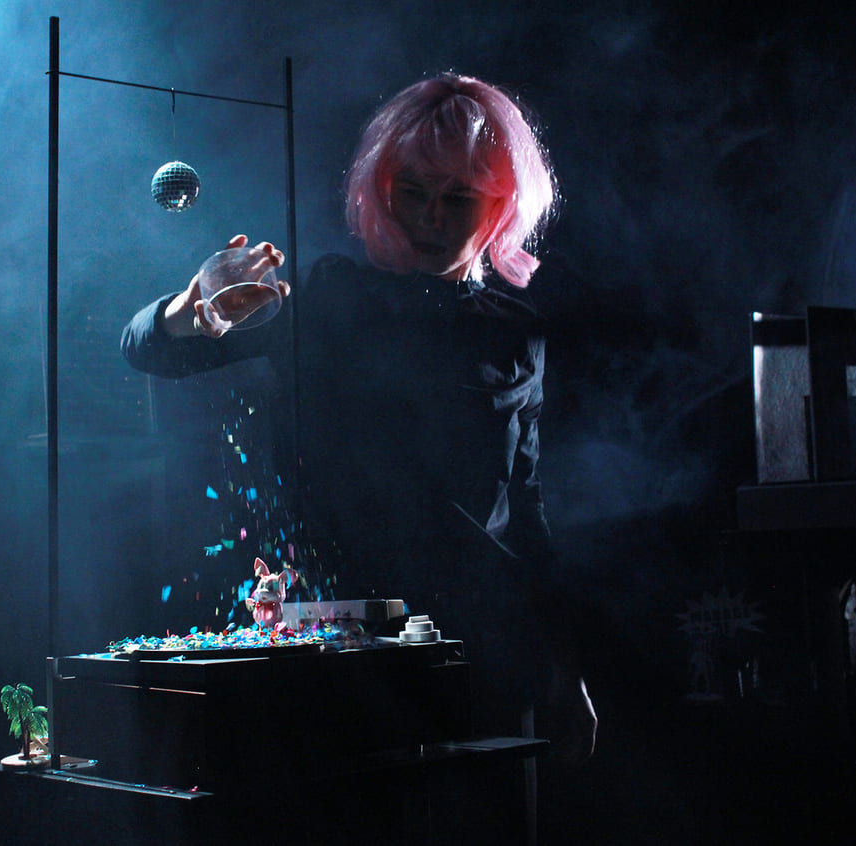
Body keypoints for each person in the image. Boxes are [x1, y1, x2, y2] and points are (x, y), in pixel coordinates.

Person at [121, 73, 596, 764]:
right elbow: (145, 347)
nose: (431, 216)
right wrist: (193, 309)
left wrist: (565, 665)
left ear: (501, 202)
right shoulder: (328, 301)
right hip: (342, 654)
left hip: (483, 651)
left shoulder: (515, 332)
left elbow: (525, 511)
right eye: (414, 191)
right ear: (382, 189)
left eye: (458, 197)